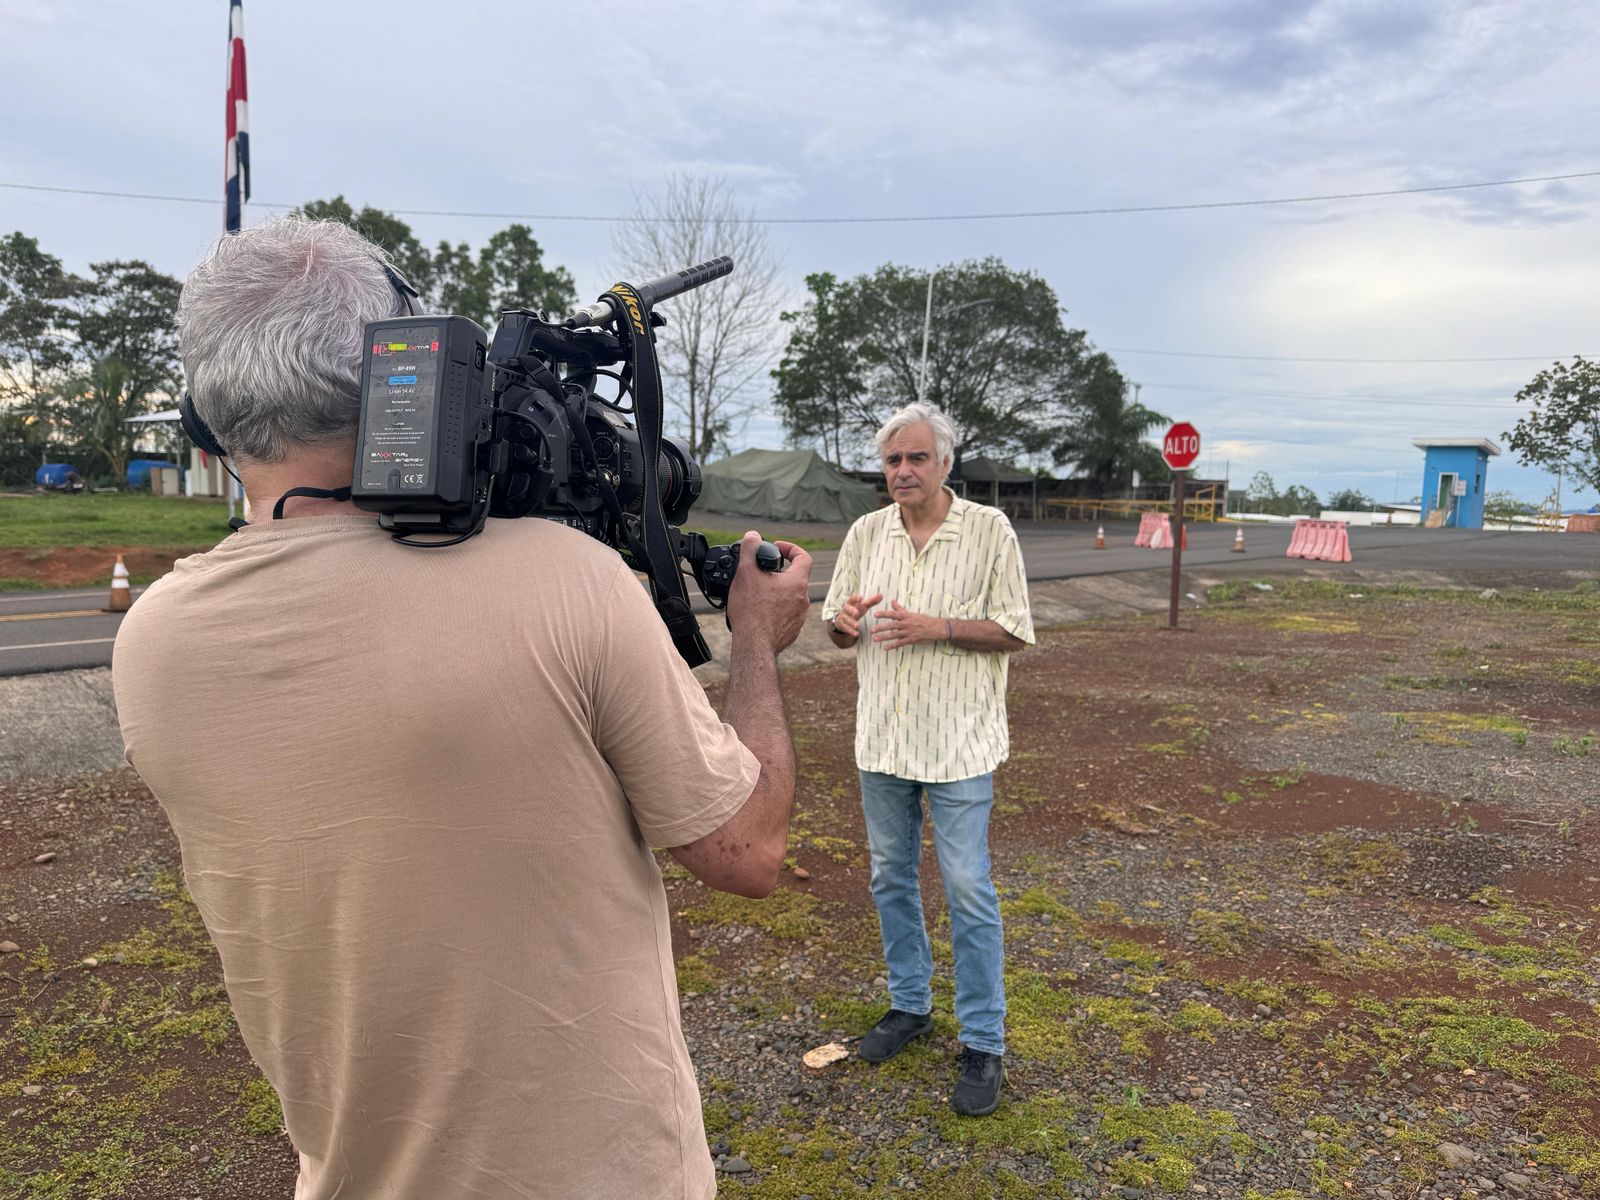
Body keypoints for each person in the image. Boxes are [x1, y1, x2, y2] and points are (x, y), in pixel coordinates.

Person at [111, 216, 812, 1200]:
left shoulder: (153, 644)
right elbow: (746, 853)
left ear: (203, 417)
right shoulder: (569, 586)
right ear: (413, 376)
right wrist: (756, 642)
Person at [821, 401, 1033, 1117]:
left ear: (946, 462)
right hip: (882, 739)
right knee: (890, 877)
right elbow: (837, 628)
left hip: (959, 742)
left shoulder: (989, 531)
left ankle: (983, 1041)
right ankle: (909, 1006)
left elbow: (1013, 629)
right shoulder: (865, 533)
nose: (903, 471)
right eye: (892, 461)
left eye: (916, 458)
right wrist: (846, 625)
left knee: (968, 887)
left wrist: (936, 626)